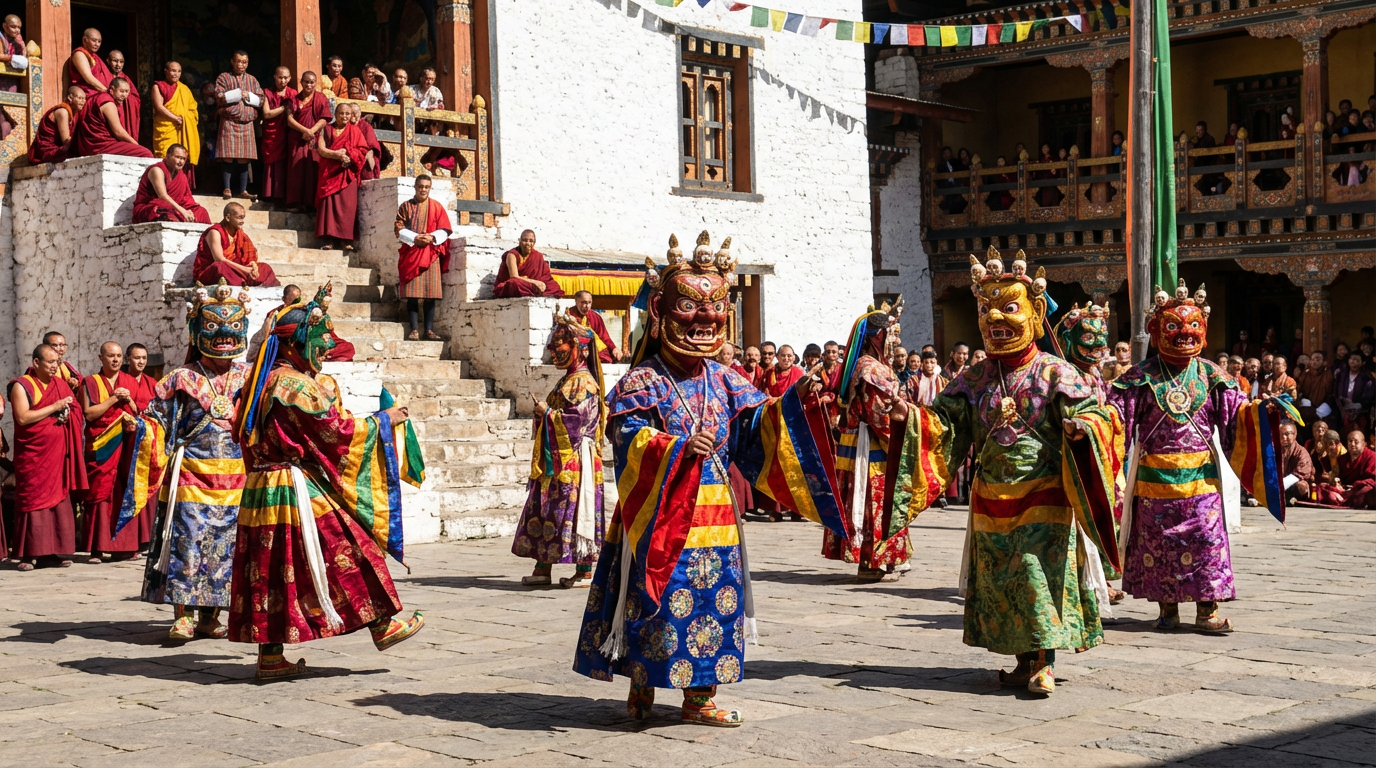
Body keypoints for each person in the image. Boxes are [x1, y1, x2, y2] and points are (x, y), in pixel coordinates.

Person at [573, 232, 845, 726]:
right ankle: (643, 685)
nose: (704, 321)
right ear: (659, 311)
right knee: (654, 597)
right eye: (689, 309)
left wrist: (796, 401)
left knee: (715, 603)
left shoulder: (726, 379)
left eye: (716, 309)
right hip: (659, 512)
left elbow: (757, 431)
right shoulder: (644, 380)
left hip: (718, 516)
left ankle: (700, 697)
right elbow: (625, 437)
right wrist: (674, 447)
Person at [894, 249, 1122, 696]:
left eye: (1009, 308)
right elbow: (944, 424)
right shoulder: (975, 377)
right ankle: (1023, 659)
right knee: (1005, 582)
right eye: (986, 310)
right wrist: (912, 417)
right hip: (990, 497)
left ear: (1036, 312)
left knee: (1038, 576)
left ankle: (1044, 661)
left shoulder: (1058, 372)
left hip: (1046, 495)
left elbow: (1102, 416)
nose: (996, 317)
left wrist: (1083, 428)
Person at [230, 283, 425, 679]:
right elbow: (336, 432)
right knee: (351, 545)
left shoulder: (261, 379)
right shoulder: (296, 386)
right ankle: (383, 624)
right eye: (318, 343)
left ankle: (270, 657)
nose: (323, 351)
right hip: (293, 486)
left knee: (273, 568)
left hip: (261, 488)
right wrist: (384, 421)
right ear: (295, 343)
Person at [1110, 281, 1284, 636]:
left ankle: (1207, 611)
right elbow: (1115, 416)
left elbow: (1236, 416)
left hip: (1201, 482)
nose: (1184, 334)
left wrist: (1259, 413)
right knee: (1158, 546)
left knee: (1206, 543)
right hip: (1153, 481)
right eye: (1173, 327)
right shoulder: (1140, 377)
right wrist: (1090, 422)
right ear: (1157, 330)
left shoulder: (1211, 375)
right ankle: (1167, 609)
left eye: (1192, 327)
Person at [118, 284, 250, 640]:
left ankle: (211, 617)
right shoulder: (181, 378)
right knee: (188, 543)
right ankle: (184, 615)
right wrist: (143, 426)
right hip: (192, 474)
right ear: (196, 330)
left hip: (237, 478)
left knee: (226, 550)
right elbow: (158, 420)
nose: (224, 336)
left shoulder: (249, 377)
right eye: (213, 328)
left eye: (233, 327)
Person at [514, 312, 606, 588]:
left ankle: (584, 570)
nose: (553, 352)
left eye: (559, 346)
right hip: (557, 457)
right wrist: (543, 414)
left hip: (575, 459)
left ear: (580, 349)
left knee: (575, 511)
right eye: (552, 346)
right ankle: (543, 568)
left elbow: (576, 422)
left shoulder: (583, 382)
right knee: (547, 511)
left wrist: (548, 413)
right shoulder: (569, 379)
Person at [823, 302, 914, 581]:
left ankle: (883, 561)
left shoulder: (860, 365)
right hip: (873, 445)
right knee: (875, 501)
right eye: (892, 337)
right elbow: (880, 413)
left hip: (858, 442)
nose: (895, 343)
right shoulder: (872, 370)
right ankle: (872, 562)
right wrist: (905, 431)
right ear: (879, 338)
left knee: (866, 500)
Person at [1055, 302, 1128, 605]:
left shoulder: (1096, 374)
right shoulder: (1063, 376)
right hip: (1073, 459)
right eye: (1089, 340)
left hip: (1103, 454)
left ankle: (1103, 581)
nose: (1099, 346)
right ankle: (1091, 586)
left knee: (1107, 516)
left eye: (1102, 339)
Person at [9, 344, 87, 571]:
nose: (55, 366)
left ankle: (51, 552)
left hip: (56, 455)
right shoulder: (21, 386)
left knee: (58, 503)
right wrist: (55, 406)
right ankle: (27, 554)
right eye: (50, 362)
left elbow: (75, 411)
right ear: (36, 363)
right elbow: (23, 418)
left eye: (57, 362)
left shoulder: (60, 384)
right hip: (33, 455)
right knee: (33, 501)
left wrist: (68, 413)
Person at [78, 341, 141, 563]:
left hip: (125, 445)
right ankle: (97, 548)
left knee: (125, 492)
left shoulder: (130, 382)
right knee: (99, 494)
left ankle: (125, 546)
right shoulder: (89, 382)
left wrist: (130, 400)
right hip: (102, 446)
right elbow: (89, 414)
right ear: (101, 358)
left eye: (119, 356)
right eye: (111, 356)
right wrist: (115, 398)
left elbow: (139, 413)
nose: (116, 360)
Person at [394, 174, 452, 340]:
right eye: (420, 186)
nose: (423, 189)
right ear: (415, 187)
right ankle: (413, 329)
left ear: (430, 188)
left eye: (426, 187)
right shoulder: (406, 206)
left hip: (430, 253)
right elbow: (399, 227)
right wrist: (414, 237)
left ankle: (429, 330)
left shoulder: (436, 207)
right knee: (412, 293)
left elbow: (445, 229)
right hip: (412, 252)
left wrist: (432, 237)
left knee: (430, 293)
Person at [315, 102, 368, 250]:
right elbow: (321, 148)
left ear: (351, 115)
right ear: (335, 115)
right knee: (328, 205)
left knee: (348, 206)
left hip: (347, 173)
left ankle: (346, 240)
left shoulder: (355, 131)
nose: (344, 116)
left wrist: (349, 157)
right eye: (341, 113)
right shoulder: (327, 128)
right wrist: (337, 155)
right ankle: (328, 240)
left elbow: (362, 150)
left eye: (347, 114)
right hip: (329, 172)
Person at [214, 51, 264, 200]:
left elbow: (261, 99)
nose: (241, 65)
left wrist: (248, 96)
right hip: (229, 121)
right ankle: (227, 188)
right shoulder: (224, 77)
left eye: (244, 62)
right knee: (228, 156)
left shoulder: (252, 80)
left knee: (245, 157)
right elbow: (219, 97)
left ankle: (243, 190)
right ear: (232, 61)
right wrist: (237, 94)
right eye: (238, 61)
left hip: (247, 122)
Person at [193, 201, 278, 286]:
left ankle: (242, 280)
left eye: (243, 218)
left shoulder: (239, 233)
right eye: (239, 218)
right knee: (220, 267)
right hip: (210, 272)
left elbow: (249, 255)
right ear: (228, 218)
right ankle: (242, 281)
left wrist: (252, 266)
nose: (242, 221)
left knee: (265, 268)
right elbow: (219, 259)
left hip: (236, 269)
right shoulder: (215, 232)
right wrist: (245, 270)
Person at [72, 76, 152, 158]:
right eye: (121, 91)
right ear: (112, 90)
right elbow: (118, 132)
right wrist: (136, 145)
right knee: (146, 153)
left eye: (127, 92)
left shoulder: (96, 98)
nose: (124, 95)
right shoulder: (107, 102)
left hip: (86, 147)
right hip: (100, 146)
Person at [285, 71, 330, 212]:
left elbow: (324, 118)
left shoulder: (321, 98)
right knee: (296, 170)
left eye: (312, 82)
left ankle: (310, 204)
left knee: (312, 169)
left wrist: (311, 131)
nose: (309, 85)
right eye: (306, 82)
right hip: (298, 139)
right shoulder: (294, 99)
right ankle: (295, 202)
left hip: (313, 139)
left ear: (315, 83)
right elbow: (289, 119)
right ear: (301, 82)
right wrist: (304, 130)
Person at [151, 61, 201, 188]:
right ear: (166, 71)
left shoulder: (184, 89)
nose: (176, 74)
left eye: (178, 71)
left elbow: (193, 109)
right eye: (173, 71)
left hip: (182, 129)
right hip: (166, 128)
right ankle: (164, 187)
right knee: (166, 157)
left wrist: (185, 119)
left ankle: (180, 188)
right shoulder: (158, 86)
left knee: (181, 159)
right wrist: (175, 119)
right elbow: (158, 107)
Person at [132, 145, 210, 224]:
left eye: (184, 159)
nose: (181, 162)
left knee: (201, 212)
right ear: (167, 156)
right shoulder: (157, 170)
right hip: (149, 207)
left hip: (174, 207)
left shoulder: (181, 175)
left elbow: (186, 199)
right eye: (178, 157)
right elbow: (162, 196)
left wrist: (188, 211)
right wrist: (182, 211)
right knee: (164, 211)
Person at [259, 67, 296, 202]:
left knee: (285, 164)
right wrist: (283, 108)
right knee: (271, 163)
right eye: (280, 77)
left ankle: (283, 196)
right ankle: (270, 195)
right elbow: (267, 114)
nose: (283, 81)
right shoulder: (267, 92)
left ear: (290, 78)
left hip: (288, 134)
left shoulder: (293, 93)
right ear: (275, 77)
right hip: (273, 134)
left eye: (286, 78)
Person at [495, 230, 564, 298]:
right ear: (519, 241)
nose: (528, 243)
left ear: (534, 242)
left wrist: (539, 283)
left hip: (529, 284)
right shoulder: (512, 255)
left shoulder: (538, 256)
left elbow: (545, 277)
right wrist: (535, 282)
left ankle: (535, 291)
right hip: (517, 284)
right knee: (514, 284)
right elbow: (514, 277)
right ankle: (535, 291)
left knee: (554, 286)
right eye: (525, 240)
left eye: (531, 241)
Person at [28, 86, 86, 164]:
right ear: (70, 98)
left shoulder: (75, 113)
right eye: (80, 98)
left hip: (59, 147)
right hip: (47, 150)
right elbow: (66, 140)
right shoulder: (63, 112)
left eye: (84, 99)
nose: (83, 101)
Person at [569, 290, 621, 363]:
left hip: (593, 350)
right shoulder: (569, 315)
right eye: (583, 302)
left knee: (609, 358)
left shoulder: (595, 317)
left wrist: (614, 348)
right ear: (576, 301)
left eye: (589, 303)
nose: (586, 306)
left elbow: (604, 337)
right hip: (574, 349)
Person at [347, 88, 383, 180]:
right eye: (351, 114)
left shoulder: (365, 126)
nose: (354, 117)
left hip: (362, 160)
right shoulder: (344, 126)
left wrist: (368, 156)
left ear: (360, 114)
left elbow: (372, 146)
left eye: (356, 113)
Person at [1334, 351, 1375, 435]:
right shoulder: (1342, 374)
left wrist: (1359, 405)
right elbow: (1336, 390)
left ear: (1362, 362)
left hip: (1360, 410)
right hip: (1343, 408)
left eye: (1357, 360)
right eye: (1352, 359)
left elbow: (1370, 393)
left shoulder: (1367, 376)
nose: (1354, 362)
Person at [0, 15, 26, 140]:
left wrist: (21, 44)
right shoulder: (1, 39)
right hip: (1, 80)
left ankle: (9, 140)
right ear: (5, 26)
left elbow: (24, 56)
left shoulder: (17, 41)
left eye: (19, 27)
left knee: (12, 112)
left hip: (12, 82)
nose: (17, 30)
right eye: (13, 27)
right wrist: (11, 58)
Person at [106, 50, 140, 143]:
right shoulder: (103, 75)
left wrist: (123, 96)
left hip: (124, 113)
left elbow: (136, 98)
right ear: (108, 61)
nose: (118, 64)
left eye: (121, 62)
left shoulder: (125, 79)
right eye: (115, 61)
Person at [67, 28, 112, 99]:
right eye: (94, 40)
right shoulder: (79, 54)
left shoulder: (95, 57)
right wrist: (106, 91)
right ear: (85, 40)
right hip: (88, 93)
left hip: (101, 92)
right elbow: (88, 78)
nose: (97, 44)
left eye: (99, 41)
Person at [1277, 421, 1313, 503]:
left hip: (1290, 485)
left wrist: (1279, 486)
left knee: (1302, 486)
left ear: (1295, 435)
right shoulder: (1273, 449)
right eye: (1280, 434)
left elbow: (1301, 473)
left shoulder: (1301, 452)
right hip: (1275, 483)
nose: (1283, 438)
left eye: (1287, 434)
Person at [1296, 349, 1332, 425]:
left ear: (1324, 362)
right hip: (1307, 407)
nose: (1314, 362)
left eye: (1318, 360)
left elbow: (1331, 393)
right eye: (1312, 359)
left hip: (1323, 408)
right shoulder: (1306, 374)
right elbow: (1300, 390)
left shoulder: (1328, 374)